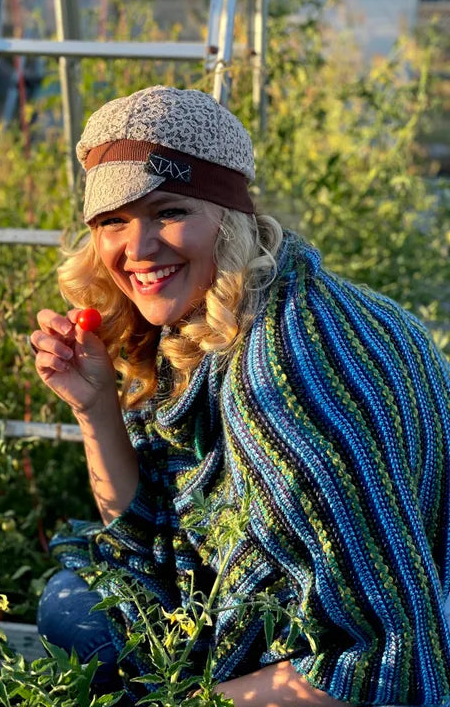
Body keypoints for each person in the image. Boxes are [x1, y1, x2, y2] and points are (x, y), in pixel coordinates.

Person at [31, 85, 450, 706]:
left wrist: (188, 703)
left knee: (83, 622)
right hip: (340, 630)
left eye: (170, 212)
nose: (138, 249)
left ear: (228, 217)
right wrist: (94, 407)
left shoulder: (287, 376)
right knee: (80, 603)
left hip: (405, 653)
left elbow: (394, 659)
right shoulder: (221, 314)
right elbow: (151, 542)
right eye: (113, 221)